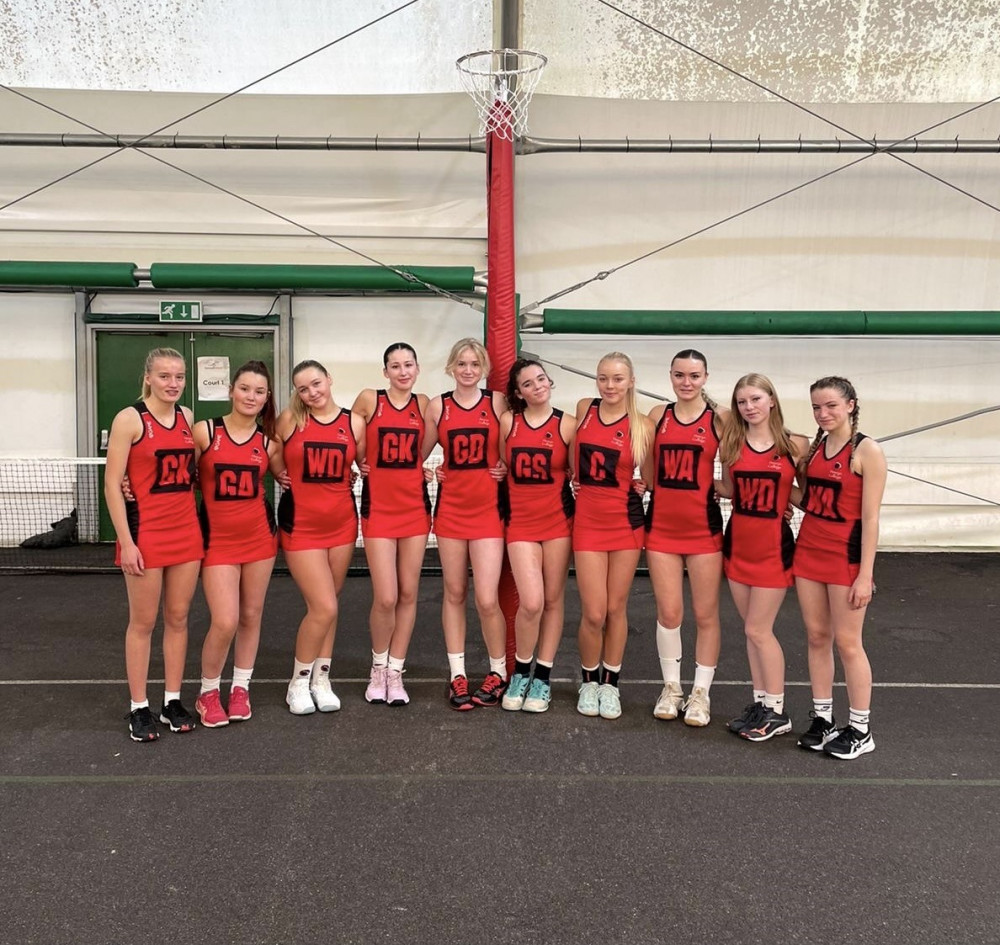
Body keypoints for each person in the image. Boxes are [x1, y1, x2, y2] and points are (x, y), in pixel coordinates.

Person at [104, 347, 203, 742]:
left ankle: (172, 701)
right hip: (145, 534)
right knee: (143, 623)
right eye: (164, 376)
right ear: (148, 377)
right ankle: (138, 707)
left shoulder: (187, 418)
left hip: (186, 532)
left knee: (178, 619)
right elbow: (113, 483)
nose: (173, 383)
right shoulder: (129, 419)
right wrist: (126, 542)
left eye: (178, 377)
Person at [793, 376, 886, 759]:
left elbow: (871, 520)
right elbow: (811, 503)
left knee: (848, 643)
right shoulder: (814, 448)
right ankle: (823, 719)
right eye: (817, 407)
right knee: (816, 638)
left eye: (831, 405)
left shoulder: (867, 451)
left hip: (844, 559)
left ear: (850, 405)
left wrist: (865, 575)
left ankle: (861, 729)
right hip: (808, 553)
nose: (823, 413)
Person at [717, 373, 809, 743]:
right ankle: (760, 704)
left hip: (773, 547)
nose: (749, 407)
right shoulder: (732, 443)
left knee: (759, 629)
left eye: (755, 399)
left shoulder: (795, 445)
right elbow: (726, 488)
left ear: (772, 399)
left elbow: (805, 494)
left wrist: (788, 500)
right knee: (750, 631)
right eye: (741, 402)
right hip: (738, 541)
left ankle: (777, 710)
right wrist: (689, 484)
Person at [191, 361, 282, 728]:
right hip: (218, 543)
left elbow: (291, 477)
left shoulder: (268, 443)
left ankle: (240, 688)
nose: (251, 396)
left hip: (260, 540)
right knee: (225, 620)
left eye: (259, 392)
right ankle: (208, 692)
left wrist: (355, 469)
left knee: (250, 616)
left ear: (266, 398)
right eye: (245, 388)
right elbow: (182, 479)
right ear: (232, 390)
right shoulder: (205, 432)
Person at [422, 338, 508, 711]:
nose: (468, 370)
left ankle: (498, 672)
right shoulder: (438, 405)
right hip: (452, 511)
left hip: (488, 511)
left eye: (474, 364)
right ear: (451, 368)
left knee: (487, 598)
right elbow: (417, 453)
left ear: (484, 367)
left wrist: (506, 467)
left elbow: (515, 448)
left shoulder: (498, 402)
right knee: (454, 592)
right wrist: (426, 470)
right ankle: (457, 672)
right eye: (461, 364)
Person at [644, 349, 727, 727]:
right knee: (669, 613)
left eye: (694, 375)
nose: (686, 382)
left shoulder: (720, 420)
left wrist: (723, 489)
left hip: (703, 530)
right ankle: (672, 687)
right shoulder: (657, 416)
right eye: (679, 375)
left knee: (705, 614)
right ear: (671, 376)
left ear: (705, 377)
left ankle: (701, 693)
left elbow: (737, 470)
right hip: (661, 527)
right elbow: (646, 467)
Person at [277, 359, 365, 715]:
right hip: (302, 526)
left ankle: (321, 679)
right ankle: (297, 682)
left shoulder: (353, 422)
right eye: (303, 388)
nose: (312, 393)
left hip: (342, 523)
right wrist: (280, 472)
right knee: (323, 606)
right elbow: (264, 452)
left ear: (329, 380)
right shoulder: (290, 420)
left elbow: (366, 465)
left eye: (316, 384)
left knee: (331, 604)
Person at [573, 352, 654, 720]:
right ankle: (589, 681)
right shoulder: (583, 409)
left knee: (615, 608)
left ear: (631, 381)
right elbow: (572, 459)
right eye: (603, 378)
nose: (610, 385)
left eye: (618, 379)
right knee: (593, 612)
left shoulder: (641, 426)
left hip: (624, 523)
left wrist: (640, 484)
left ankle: (611, 684)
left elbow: (649, 478)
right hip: (587, 521)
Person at [352, 343, 430, 707]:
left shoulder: (425, 404)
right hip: (379, 509)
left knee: (409, 593)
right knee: (386, 596)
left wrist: (426, 469)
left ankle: (396, 671)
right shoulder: (370, 399)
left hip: (415, 508)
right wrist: (358, 462)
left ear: (417, 369)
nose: (402, 371)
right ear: (385, 371)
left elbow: (423, 451)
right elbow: (346, 438)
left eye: (408, 365)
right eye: (395, 366)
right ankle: (378, 667)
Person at [498, 357, 575, 714]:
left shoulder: (568, 424)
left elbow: (579, 471)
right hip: (521, 524)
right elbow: (503, 465)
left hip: (558, 523)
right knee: (531, 602)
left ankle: (542, 677)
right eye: (528, 383)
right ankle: (521, 671)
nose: (537, 386)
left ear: (550, 381)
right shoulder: (508, 422)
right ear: (518, 392)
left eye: (541, 379)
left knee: (554, 600)